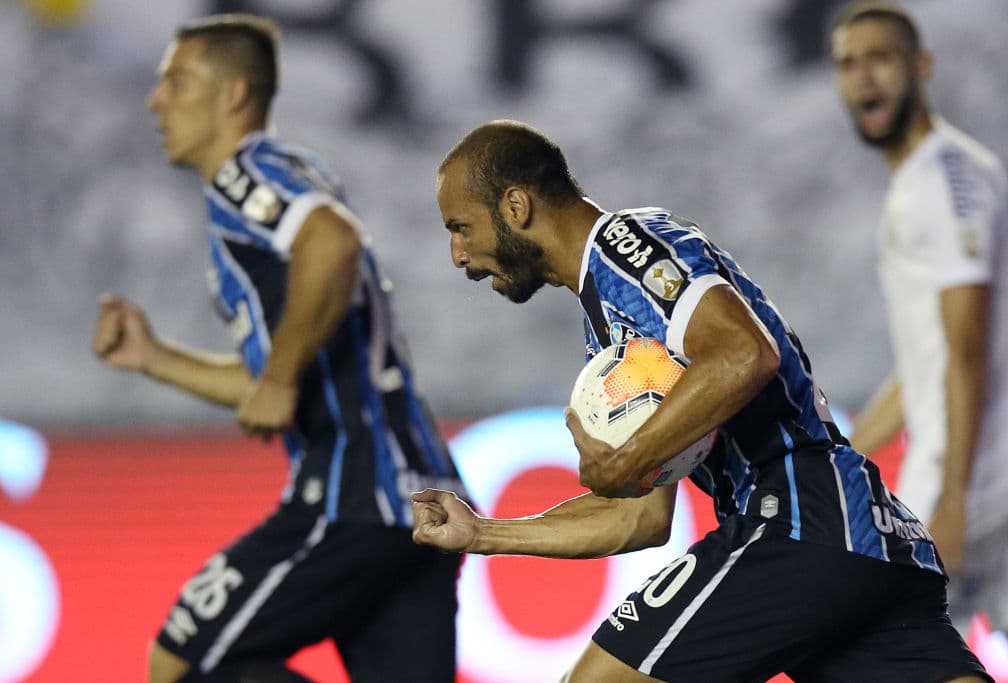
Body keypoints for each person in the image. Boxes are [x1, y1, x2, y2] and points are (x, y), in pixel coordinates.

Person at [410, 118, 992, 682]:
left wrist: (625, 458)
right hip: (859, 539)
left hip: (795, 519)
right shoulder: (609, 329)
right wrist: (486, 535)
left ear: (516, 207)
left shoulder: (623, 246)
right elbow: (638, 516)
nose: (458, 255)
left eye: (460, 227)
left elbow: (745, 354)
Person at [91, 14, 468, 683]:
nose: (157, 101)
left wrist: (281, 376)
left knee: (179, 663)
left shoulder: (247, 176)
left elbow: (334, 243)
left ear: (233, 94)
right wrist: (157, 359)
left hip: (354, 496)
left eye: (176, 81)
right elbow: (276, 374)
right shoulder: (295, 173)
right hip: (427, 501)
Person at [831, 1, 1008, 633]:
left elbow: (968, 350)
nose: (864, 78)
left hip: (978, 488)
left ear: (921, 65)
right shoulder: (934, 178)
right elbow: (928, 365)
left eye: (880, 58)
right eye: (848, 64)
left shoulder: (942, 181)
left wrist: (955, 499)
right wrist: (838, 454)